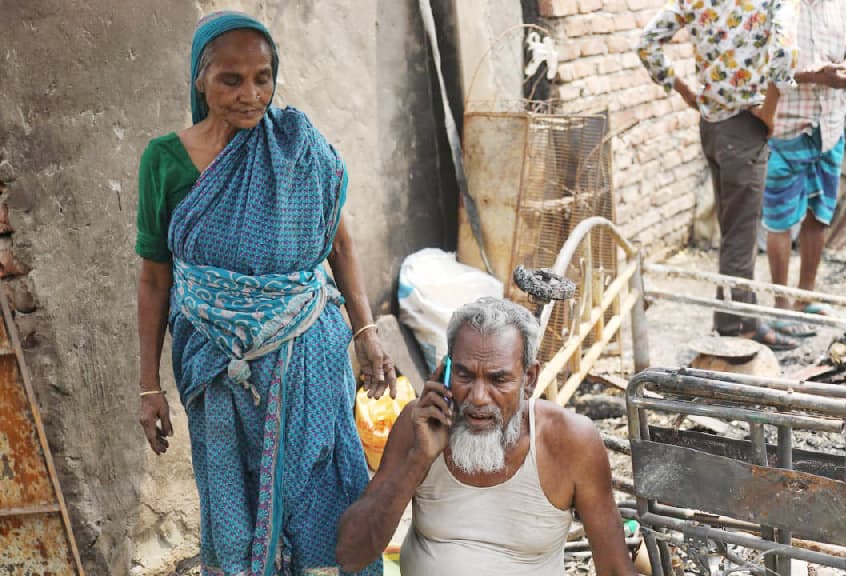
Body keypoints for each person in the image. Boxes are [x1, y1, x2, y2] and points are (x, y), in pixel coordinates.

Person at [135, 12, 394, 575]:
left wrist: (366, 333)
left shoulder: (299, 149)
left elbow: (339, 244)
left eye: (263, 77)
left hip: (307, 352)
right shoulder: (166, 161)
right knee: (230, 502)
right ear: (200, 80)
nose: (250, 94)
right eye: (231, 79)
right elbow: (156, 277)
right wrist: (148, 385)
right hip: (213, 361)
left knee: (320, 489)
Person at [336, 297, 637, 576]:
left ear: (529, 379)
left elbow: (614, 569)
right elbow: (350, 555)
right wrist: (419, 459)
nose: (478, 397)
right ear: (445, 372)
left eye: (498, 379)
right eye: (464, 375)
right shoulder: (419, 424)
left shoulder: (571, 441)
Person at [637, 0, 802, 350]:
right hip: (745, 126)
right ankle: (737, 326)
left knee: (734, 233)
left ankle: (739, 318)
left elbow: (647, 42)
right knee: (740, 237)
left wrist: (684, 89)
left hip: (712, 127)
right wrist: (770, 111)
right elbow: (787, 52)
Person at [762, 0, 846, 331]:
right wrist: (814, 75)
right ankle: (781, 305)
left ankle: (805, 297)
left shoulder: (839, 6)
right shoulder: (774, 7)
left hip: (830, 128)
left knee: (818, 215)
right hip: (785, 129)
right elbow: (759, 67)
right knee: (779, 219)